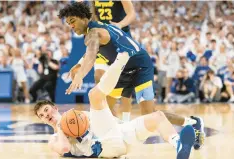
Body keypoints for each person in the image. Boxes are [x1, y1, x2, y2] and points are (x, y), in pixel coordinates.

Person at [59, 2, 205, 150]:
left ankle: (192, 123)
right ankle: (109, 139)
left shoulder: (94, 32)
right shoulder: (96, 29)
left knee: (149, 113)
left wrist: (80, 74)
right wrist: (78, 64)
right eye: (68, 23)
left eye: (72, 21)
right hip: (123, 69)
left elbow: (91, 54)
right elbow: (92, 49)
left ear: (83, 17)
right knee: (105, 107)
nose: (71, 26)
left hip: (140, 66)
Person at [34, 99, 195, 158]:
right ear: (42, 120)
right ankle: (121, 61)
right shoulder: (53, 139)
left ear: (54, 108)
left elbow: (105, 120)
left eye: (46, 110)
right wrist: (61, 128)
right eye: (41, 115)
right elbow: (64, 147)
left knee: (157, 116)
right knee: (95, 96)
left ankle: (178, 144)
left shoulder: (78, 115)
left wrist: (121, 124)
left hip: (119, 134)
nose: (45, 115)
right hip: (104, 148)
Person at [70, 0, 136, 121]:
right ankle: (110, 118)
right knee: (99, 76)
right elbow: (92, 13)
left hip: (120, 38)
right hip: (103, 39)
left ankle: (126, 121)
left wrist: (120, 24)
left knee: (125, 84)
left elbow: (132, 13)